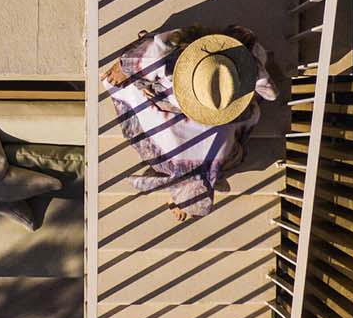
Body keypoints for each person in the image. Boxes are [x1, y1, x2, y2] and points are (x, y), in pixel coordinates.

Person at [102, 22, 278, 222]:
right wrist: (127, 68)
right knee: (176, 152)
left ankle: (191, 188)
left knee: (210, 153)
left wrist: (129, 70)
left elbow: (269, 93)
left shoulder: (244, 71)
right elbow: (269, 93)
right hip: (215, 113)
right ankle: (186, 189)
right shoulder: (238, 75)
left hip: (215, 112)